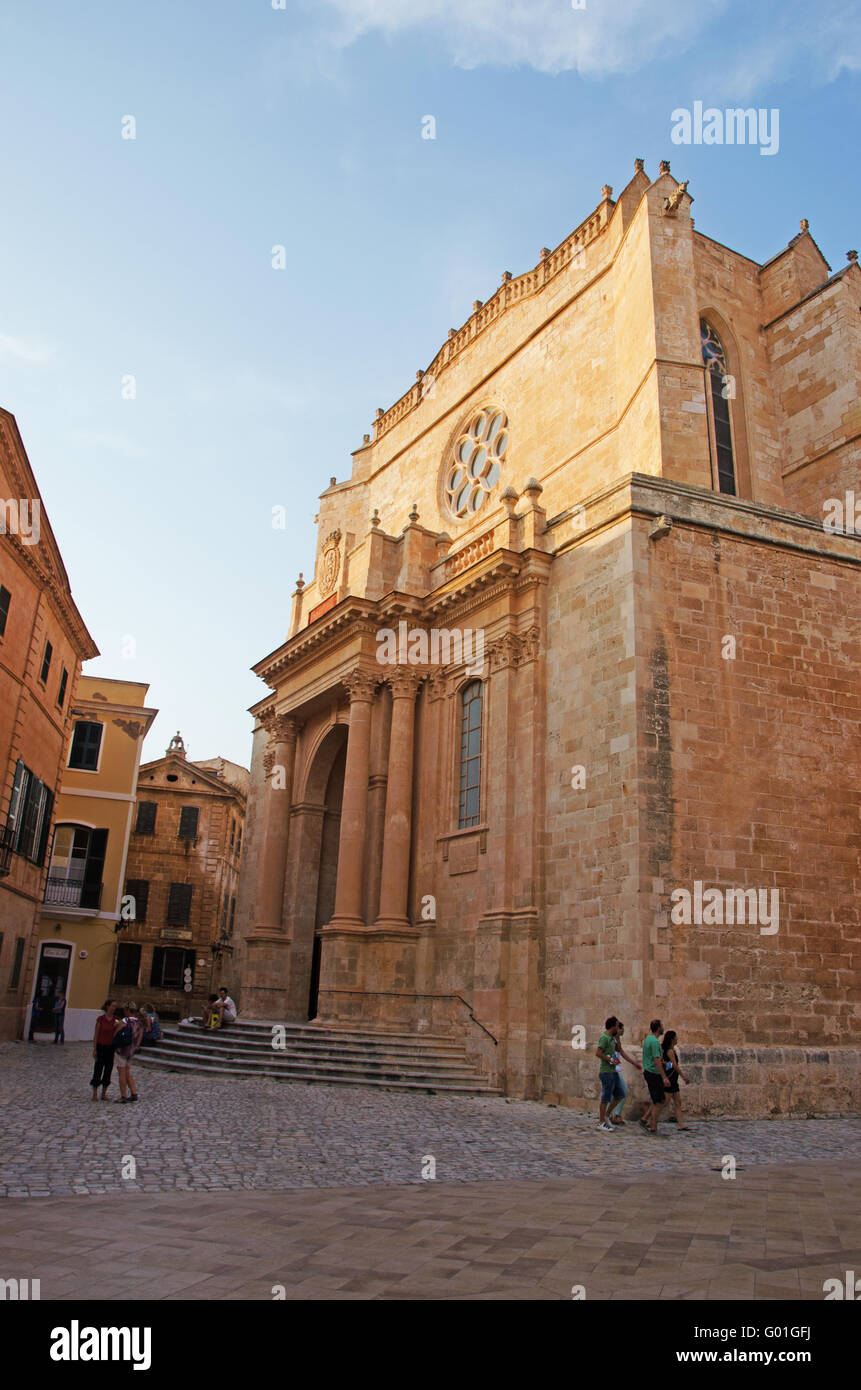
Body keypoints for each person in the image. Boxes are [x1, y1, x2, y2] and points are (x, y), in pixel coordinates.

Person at [606, 1020, 643, 1125]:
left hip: (616, 1069)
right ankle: (614, 1114)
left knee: (616, 1093)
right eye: (622, 1029)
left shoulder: (617, 1040)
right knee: (623, 1091)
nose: (623, 1031)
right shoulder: (610, 1040)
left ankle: (610, 1114)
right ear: (618, 1029)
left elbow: (621, 1053)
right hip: (613, 1069)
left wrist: (634, 1063)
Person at [640, 1018, 671, 1134]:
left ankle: (645, 1119)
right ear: (658, 1028)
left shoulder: (648, 1039)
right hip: (653, 1073)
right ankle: (653, 1126)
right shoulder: (654, 1042)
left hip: (650, 1071)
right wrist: (664, 1077)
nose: (663, 1028)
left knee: (657, 1099)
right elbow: (656, 1059)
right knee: (659, 1101)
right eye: (662, 1026)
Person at [595, 1016, 624, 1131]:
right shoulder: (604, 1037)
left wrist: (617, 1038)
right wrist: (610, 1060)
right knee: (605, 1097)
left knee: (620, 1094)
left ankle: (606, 1116)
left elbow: (618, 1050)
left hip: (613, 1071)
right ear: (613, 1026)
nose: (618, 1028)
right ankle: (601, 1122)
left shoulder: (612, 1038)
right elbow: (598, 1053)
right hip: (606, 1071)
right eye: (617, 1026)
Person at [90, 1001, 123, 1100]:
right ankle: (95, 1093)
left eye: (115, 1006)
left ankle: (104, 1093)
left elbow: (118, 1032)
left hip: (110, 1047)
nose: (113, 1008)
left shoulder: (116, 1020)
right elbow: (96, 1035)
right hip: (101, 1046)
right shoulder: (101, 1020)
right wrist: (94, 1049)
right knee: (98, 1069)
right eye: (112, 1006)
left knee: (108, 1070)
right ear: (107, 1007)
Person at [661, 1030, 691, 1131]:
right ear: (672, 1039)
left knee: (678, 1102)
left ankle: (681, 1124)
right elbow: (675, 1066)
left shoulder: (671, 1050)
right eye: (676, 1037)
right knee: (664, 1102)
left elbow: (670, 1065)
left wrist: (666, 1064)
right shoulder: (670, 1051)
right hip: (670, 1079)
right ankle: (648, 1118)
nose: (677, 1038)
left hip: (674, 1080)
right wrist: (684, 1076)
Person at [114, 1003, 143, 1102]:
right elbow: (140, 1037)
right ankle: (134, 1093)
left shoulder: (124, 1021)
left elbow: (116, 1033)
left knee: (121, 1073)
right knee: (127, 1072)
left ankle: (123, 1096)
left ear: (127, 1010)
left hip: (122, 1050)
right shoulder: (139, 1022)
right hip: (131, 1051)